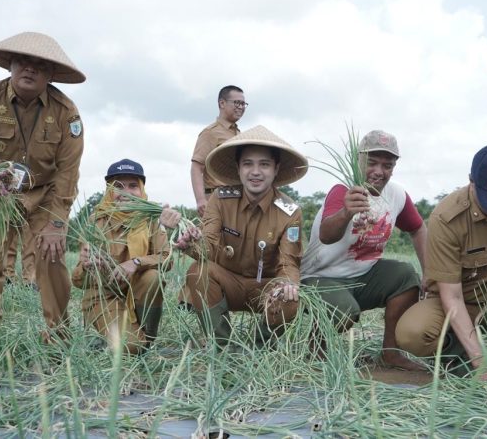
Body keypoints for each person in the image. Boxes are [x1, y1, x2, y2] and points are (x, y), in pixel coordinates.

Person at [0, 31, 85, 339]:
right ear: (10, 64)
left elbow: (68, 172)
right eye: (23, 60)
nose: (30, 68)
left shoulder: (66, 112)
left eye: (40, 64)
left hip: (46, 195)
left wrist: (56, 222)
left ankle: (59, 336)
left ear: (51, 74)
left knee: (51, 259)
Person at [395, 143, 487, 375]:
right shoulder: (447, 218)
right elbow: (452, 297)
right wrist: (481, 363)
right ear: (472, 182)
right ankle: (462, 356)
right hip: (460, 298)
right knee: (412, 332)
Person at [301, 130, 427, 370]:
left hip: (364, 276)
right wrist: (346, 212)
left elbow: (419, 229)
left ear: (394, 167)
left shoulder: (396, 195)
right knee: (344, 309)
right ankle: (315, 352)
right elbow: (327, 235)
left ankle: (391, 353)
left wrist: (429, 273)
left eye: (387, 165)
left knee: (406, 276)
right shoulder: (343, 191)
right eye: (372, 163)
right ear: (359, 160)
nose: (379, 171)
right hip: (320, 277)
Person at [183, 125, 307, 346]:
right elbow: (208, 248)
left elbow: (288, 262)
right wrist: (190, 244)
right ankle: (221, 345)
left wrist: (288, 284)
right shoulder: (220, 200)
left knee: (289, 295)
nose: (255, 172)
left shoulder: (290, 211)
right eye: (248, 164)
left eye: (264, 165)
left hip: (266, 287)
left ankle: (260, 347)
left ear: (276, 169)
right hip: (228, 283)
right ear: (238, 168)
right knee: (198, 271)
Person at [72, 159, 181, 354]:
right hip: (104, 296)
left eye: (133, 186)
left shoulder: (151, 219)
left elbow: (167, 258)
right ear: (109, 190)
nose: (126, 193)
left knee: (153, 277)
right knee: (130, 348)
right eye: (118, 186)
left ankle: (148, 339)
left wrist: (136, 262)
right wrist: (90, 266)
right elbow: (79, 281)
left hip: (136, 289)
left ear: (141, 189)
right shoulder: (95, 221)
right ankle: (124, 337)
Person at [190, 85, 246, 218]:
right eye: (237, 102)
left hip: (237, 200)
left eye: (243, 104)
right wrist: (200, 200)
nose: (241, 107)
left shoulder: (239, 134)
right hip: (217, 199)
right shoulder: (210, 133)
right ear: (222, 103)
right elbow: (197, 167)